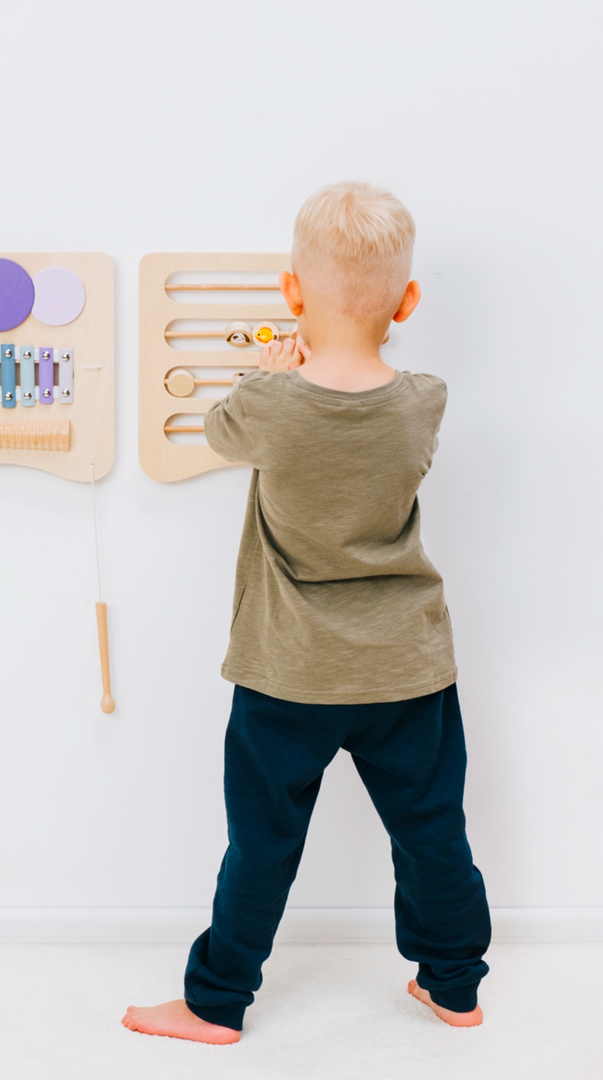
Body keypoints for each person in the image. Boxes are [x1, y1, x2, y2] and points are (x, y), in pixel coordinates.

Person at [123, 182, 491, 1044]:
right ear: (407, 302)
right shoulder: (424, 400)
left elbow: (220, 432)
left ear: (291, 293)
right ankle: (454, 985)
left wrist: (274, 374)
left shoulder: (266, 406)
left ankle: (216, 1003)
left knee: (262, 844)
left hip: (287, 671)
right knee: (433, 832)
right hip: (406, 669)